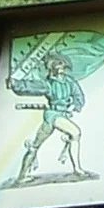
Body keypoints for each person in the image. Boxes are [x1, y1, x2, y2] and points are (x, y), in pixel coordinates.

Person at [14, 51, 87, 181]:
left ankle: (77, 168)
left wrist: (74, 106)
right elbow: (32, 87)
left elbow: (79, 96)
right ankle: (22, 176)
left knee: (35, 146)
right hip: (52, 115)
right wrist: (16, 84)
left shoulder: (70, 82)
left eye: (62, 66)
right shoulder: (48, 84)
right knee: (75, 132)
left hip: (62, 115)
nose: (60, 69)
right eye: (57, 66)